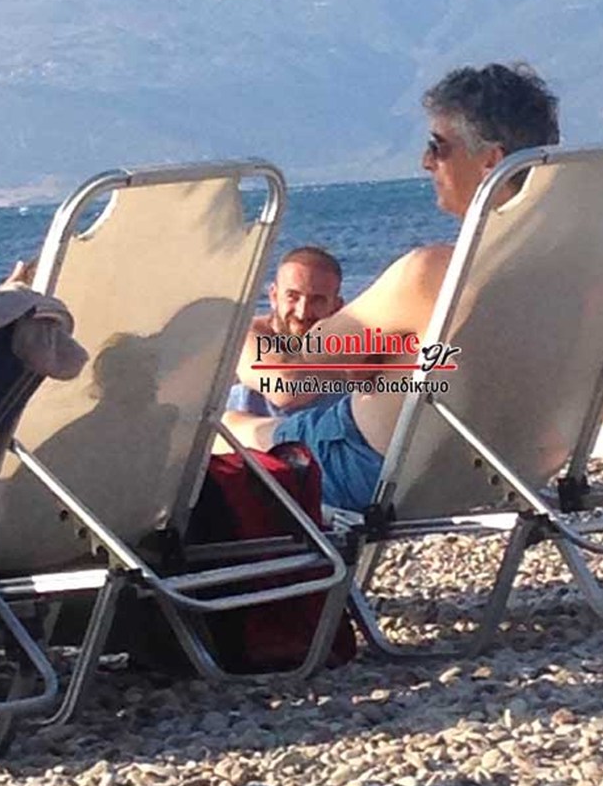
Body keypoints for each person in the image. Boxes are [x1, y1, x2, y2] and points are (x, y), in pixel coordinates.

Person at [222, 62, 561, 511]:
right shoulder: (572, 270)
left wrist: (238, 329)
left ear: (491, 161)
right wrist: (390, 352)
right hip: (512, 471)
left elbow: (291, 376)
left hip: (362, 470)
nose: (426, 162)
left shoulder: (431, 274)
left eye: (438, 146)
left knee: (221, 427)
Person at [226, 245, 344, 416]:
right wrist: (344, 370)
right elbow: (285, 387)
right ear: (274, 296)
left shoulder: (342, 342)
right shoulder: (244, 334)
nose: (302, 312)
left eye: (317, 300)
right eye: (292, 297)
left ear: (336, 306)